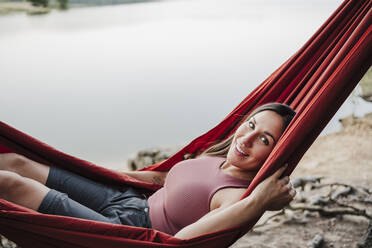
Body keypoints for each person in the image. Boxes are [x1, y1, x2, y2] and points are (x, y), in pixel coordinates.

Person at [0, 102, 296, 239]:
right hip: (124, 197)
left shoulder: (236, 197)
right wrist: (96, 172)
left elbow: (181, 242)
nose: (246, 139)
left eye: (264, 140)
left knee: (13, 185)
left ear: (275, 153)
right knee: (16, 162)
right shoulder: (217, 156)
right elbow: (162, 180)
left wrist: (258, 202)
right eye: (251, 125)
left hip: (127, 234)